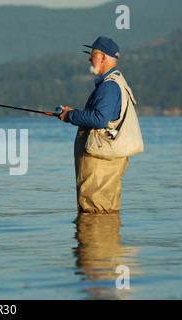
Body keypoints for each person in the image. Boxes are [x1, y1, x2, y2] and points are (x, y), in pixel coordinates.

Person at [58, 36, 142, 214]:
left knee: (95, 212)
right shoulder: (116, 82)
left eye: (92, 55)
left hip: (99, 165)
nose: (89, 58)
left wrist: (70, 116)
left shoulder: (109, 86)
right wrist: (74, 113)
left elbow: (100, 119)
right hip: (106, 161)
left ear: (103, 57)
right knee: (106, 212)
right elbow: (102, 116)